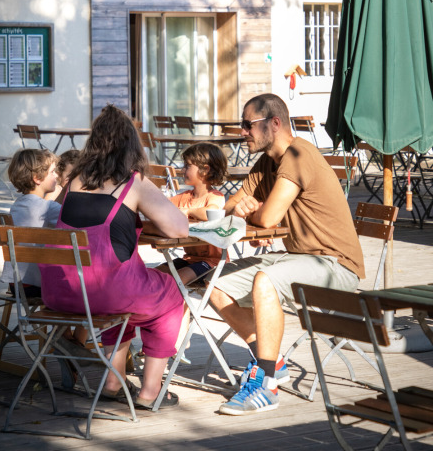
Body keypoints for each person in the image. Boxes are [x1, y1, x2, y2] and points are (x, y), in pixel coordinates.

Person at [208, 93, 365, 416]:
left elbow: (266, 219)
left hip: (335, 264)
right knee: (216, 284)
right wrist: (245, 208)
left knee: (266, 280)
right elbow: (228, 206)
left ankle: (265, 384)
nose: (242, 131)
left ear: (274, 123)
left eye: (247, 124)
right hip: (300, 259)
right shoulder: (267, 162)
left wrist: (250, 212)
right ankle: (273, 361)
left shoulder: (298, 154)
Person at [39, 104, 189, 410]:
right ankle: (150, 390)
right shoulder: (132, 182)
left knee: (125, 298)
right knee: (170, 294)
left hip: (61, 293)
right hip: (104, 295)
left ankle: (113, 382)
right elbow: (179, 227)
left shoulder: (75, 181)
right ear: (132, 145)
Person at [0, 148, 61, 297]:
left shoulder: (16, 205)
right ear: (37, 178)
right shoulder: (49, 207)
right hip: (38, 285)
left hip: (16, 284)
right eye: (53, 172)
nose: (57, 175)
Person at [167, 142, 228, 284]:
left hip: (213, 263)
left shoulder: (214, 196)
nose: (182, 169)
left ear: (205, 169)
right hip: (188, 260)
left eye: (187, 166)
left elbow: (212, 212)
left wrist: (188, 211)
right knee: (155, 276)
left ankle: (178, 306)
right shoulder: (184, 197)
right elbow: (162, 207)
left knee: (176, 281)